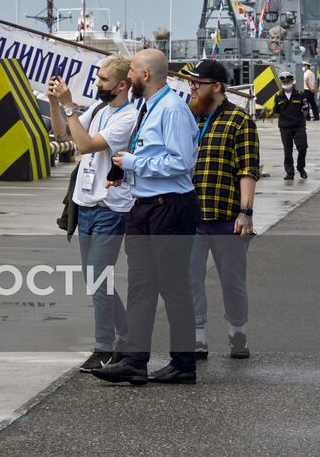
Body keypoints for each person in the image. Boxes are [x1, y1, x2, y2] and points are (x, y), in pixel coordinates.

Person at [92, 48, 200, 386]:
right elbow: (153, 155)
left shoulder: (172, 110)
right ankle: (136, 361)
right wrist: (125, 172)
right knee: (140, 285)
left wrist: (136, 164)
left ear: (146, 76)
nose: (129, 78)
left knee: (173, 287)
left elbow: (181, 163)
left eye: (134, 72)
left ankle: (184, 364)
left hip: (169, 207)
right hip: (144, 206)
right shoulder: (147, 108)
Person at [46, 55, 137, 372]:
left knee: (99, 277)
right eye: (97, 78)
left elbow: (84, 145)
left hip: (110, 206)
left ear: (122, 85)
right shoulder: (99, 109)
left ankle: (103, 347)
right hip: (85, 204)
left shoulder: (127, 117)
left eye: (103, 80)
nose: (97, 84)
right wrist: (56, 105)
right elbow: (64, 137)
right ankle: (127, 336)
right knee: (96, 278)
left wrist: (70, 105)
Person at [185, 60, 260, 361]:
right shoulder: (190, 119)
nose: (191, 88)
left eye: (197, 83)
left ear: (216, 86)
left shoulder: (239, 121)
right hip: (191, 216)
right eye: (190, 83)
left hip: (226, 217)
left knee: (232, 280)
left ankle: (237, 331)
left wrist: (246, 212)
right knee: (190, 278)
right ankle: (198, 338)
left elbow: (247, 169)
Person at [270, 71, 310, 180]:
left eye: (288, 81)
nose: (286, 82)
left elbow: (305, 109)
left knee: (302, 147)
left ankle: (300, 168)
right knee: (288, 150)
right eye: (284, 81)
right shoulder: (278, 96)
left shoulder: (300, 94)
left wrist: (300, 119)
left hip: (299, 126)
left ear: (292, 81)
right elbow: (276, 112)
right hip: (285, 127)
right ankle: (290, 172)